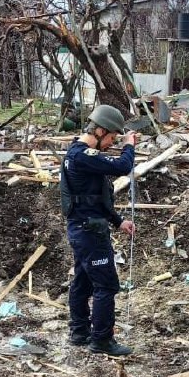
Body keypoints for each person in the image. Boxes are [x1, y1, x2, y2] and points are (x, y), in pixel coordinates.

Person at [60, 104, 138, 356]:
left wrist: (118, 221)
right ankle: (102, 339)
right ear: (101, 130)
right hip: (90, 233)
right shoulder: (82, 155)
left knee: (83, 282)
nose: (111, 143)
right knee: (106, 285)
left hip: (84, 229)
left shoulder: (78, 154)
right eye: (112, 138)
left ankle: (79, 331)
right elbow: (122, 167)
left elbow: (94, 199)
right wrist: (129, 145)